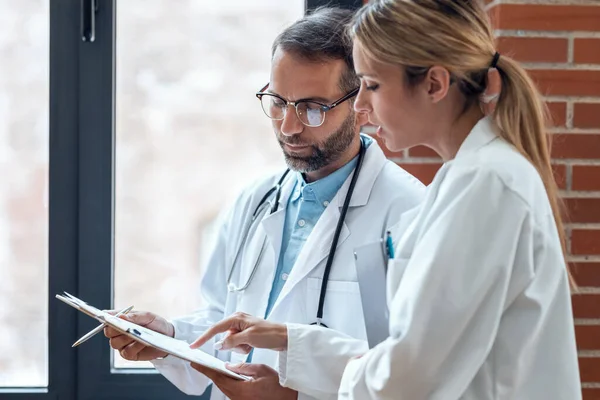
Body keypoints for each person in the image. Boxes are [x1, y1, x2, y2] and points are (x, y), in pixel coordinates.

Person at [190, 0, 582, 399]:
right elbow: (410, 355)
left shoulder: (485, 184)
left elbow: (409, 378)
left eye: (372, 85)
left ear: (434, 84)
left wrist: (293, 391)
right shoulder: (472, 176)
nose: (361, 106)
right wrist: (292, 340)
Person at [103, 6, 424, 400]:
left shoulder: (409, 212)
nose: (288, 127)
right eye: (277, 102)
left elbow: (409, 374)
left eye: (312, 108)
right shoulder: (254, 200)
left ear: (360, 106)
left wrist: (293, 398)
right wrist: (167, 337)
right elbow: (221, 322)